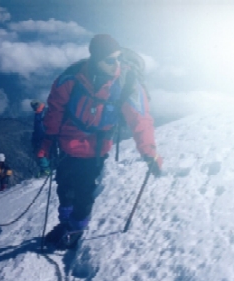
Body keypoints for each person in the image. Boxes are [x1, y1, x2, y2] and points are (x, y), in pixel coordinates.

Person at [37, 34, 163, 249]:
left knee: (84, 191)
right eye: (109, 60)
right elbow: (54, 112)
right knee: (64, 188)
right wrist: (46, 146)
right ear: (95, 59)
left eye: (118, 58)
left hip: (95, 149)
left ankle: (75, 229)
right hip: (67, 146)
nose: (116, 64)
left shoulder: (126, 83)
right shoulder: (71, 79)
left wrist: (148, 152)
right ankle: (65, 223)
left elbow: (140, 119)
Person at [30, 100, 50, 177]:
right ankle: (45, 169)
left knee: (41, 153)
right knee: (43, 153)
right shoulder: (41, 112)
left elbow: (39, 127)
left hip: (43, 136)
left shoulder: (42, 113)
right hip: (42, 136)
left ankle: (46, 170)